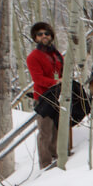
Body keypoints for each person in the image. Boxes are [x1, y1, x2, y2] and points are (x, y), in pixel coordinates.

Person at [26, 21, 63, 169]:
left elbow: (62, 71)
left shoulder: (56, 54)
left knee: (56, 129)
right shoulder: (33, 57)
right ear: (35, 38)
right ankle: (45, 163)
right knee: (45, 131)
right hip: (43, 97)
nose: (44, 36)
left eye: (46, 33)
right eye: (40, 34)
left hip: (58, 96)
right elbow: (38, 79)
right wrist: (56, 82)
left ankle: (57, 156)